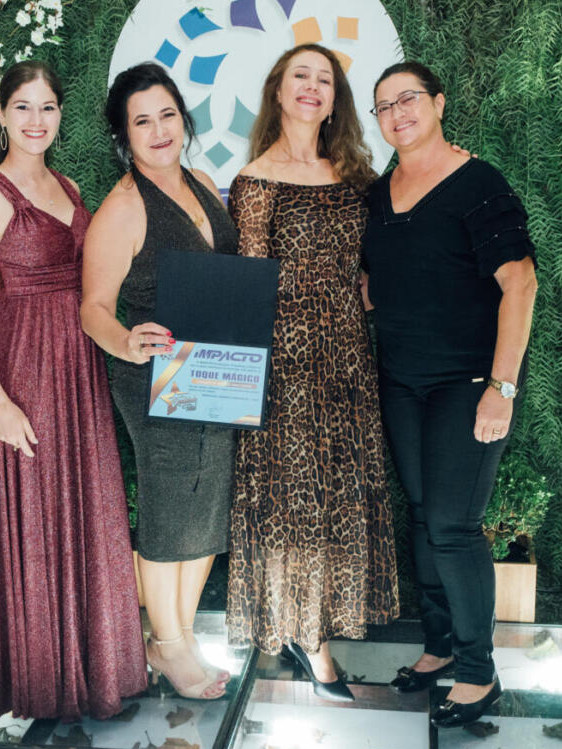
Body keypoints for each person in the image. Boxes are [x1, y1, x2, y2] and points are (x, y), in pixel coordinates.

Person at [0, 62, 146, 721]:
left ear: (61, 115)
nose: (36, 120)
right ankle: (39, 680)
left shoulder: (69, 186)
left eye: (48, 108)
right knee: (34, 517)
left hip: (79, 369)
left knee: (86, 506)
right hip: (20, 373)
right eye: (23, 107)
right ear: (2, 113)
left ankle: (93, 669)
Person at [363, 61, 538, 727]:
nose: (397, 113)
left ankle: (477, 671)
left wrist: (502, 387)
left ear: (438, 103)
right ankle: (439, 646)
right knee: (420, 515)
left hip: (467, 382)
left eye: (408, 99)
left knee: (453, 525)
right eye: (384, 106)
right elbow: (378, 281)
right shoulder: (380, 195)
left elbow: (521, 283)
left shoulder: (478, 184)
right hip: (402, 381)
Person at [226, 44, 399, 701]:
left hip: (349, 356)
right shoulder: (255, 182)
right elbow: (248, 284)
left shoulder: (357, 175)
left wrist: (372, 284)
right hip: (286, 363)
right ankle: (311, 638)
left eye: (324, 79)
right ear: (277, 90)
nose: (312, 86)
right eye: (300, 75)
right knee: (295, 500)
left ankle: (324, 619)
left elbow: (380, 253)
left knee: (339, 490)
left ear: (334, 101)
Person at [81, 63, 236, 701]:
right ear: (124, 136)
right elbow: (93, 308)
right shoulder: (123, 207)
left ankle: (182, 635)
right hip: (155, 378)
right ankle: (166, 644)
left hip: (215, 373)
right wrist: (126, 342)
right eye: (141, 121)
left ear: (183, 118)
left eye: (167, 114)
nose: (158, 130)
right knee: (172, 509)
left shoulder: (200, 183)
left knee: (209, 504)